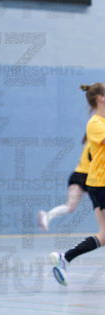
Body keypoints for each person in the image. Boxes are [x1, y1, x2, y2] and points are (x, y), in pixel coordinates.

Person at [50, 83, 105, 286]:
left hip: (98, 184)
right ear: (100, 98)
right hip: (101, 184)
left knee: (104, 235)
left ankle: (65, 258)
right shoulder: (95, 123)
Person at [37, 135, 90, 232]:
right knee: (71, 206)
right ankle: (47, 216)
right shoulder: (95, 143)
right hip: (82, 176)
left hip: (82, 177)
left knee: (71, 207)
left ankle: (48, 215)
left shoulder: (93, 143)